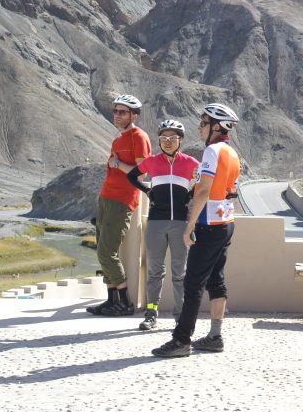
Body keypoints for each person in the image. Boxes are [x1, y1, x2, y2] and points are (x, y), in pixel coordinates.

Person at [153, 103, 240, 358]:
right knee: (216, 280)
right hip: (226, 222)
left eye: (204, 123)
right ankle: (215, 336)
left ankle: (181, 340)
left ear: (217, 127)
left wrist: (189, 224)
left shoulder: (212, 151)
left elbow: (203, 190)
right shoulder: (231, 152)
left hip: (209, 224)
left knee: (192, 283)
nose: (199, 128)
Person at [125, 119, 199, 331]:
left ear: (180, 140)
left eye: (172, 137)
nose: (168, 141)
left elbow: (205, 181)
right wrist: (147, 191)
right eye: (163, 137)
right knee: (155, 271)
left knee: (180, 273)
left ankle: (180, 317)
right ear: (158, 140)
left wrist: (190, 194)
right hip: (156, 222)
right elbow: (131, 176)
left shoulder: (191, 162)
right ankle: (151, 314)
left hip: (180, 223)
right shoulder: (151, 161)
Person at [86, 94, 151, 317]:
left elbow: (142, 174)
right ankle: (111, 299)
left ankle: (125, 302)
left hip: (122, 200)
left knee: (107, 251)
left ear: (134, 115)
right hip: (106, 197)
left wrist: (118, 164)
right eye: (115, 111)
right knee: (102, 250)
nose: (117, 115)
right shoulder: (118, 139)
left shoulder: (139, 137)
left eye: (122, 112)